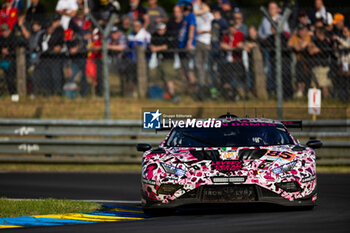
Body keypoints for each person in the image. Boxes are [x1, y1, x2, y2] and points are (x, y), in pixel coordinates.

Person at [35, 15, 65, 96]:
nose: (50, 29)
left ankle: (57, 92)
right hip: (44, 59)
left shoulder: (57, 34)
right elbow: (39, 46)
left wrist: (52, 48)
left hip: (54, 58)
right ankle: (47, 93)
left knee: (56, 76)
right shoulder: (42, 36)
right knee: (45, 76)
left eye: (51, 27)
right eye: (48, 28)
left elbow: (58, 46)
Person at [149, 22, 179, 101]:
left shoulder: (169, 35)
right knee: (162, 77)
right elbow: (152, 46)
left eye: (162, 29)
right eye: (159, 29)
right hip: (159, 59)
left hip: (168, 59)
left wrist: (157, 48)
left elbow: (166, 46)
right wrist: (158, 48)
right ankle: (166, 95)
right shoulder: (154, 35)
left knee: (168, 77)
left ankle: (172, 95)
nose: (161, 31)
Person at [220, 20, 245, 100]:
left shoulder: (240, 34)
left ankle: (239, 93)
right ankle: (229, 95)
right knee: (226, 79)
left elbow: (240, 45)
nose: (232, 29)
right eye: (230, 27)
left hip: (237, 60)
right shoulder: (226, 36)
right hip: (228, 61)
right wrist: (233, 48)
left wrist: (230, 48)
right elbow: (223, 45)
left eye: (233, 27)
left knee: (239, 78)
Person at [194, 0, 213, 99]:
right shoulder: (197, 15)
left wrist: (203, 31)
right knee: (198, 65)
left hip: (207, 42)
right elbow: (195, 9)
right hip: (198, 42)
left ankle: (210, 87)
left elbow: (212, 29)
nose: (201, 5)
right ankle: (201, 85)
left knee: (208, 65)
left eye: (203, 4)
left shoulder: (210, 15)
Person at [288, 23, 312, 98]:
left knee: (307, 76)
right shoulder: (294, 37)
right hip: (298, 60)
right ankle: (300, 91)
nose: (301, 32)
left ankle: (306, 91)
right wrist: (295, 46)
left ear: (306, 30)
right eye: (299, 30)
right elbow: (289, 45)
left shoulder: (308, 36)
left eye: (303, 30)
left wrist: (296, 46)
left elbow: (302, 46)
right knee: (299, 75)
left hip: (308, 60)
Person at [308, 27, 333, 98]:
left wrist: (316, 49)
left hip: (322, 66)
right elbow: (310, 51)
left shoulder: (326, 42)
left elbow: (315, 51)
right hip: (314, 65)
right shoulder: (316, 41)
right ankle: (316, 101)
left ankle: (326, 98)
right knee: (314, 85)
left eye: (317, 33)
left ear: (319, 33)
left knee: (323, 84)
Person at [178, 2, 196, 95]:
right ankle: (185, 89)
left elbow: (192, 28)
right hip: (182, 45)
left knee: (188, 68)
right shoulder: (184, 18)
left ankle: (192, 88)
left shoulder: (191, 16)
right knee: (183, 68)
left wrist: (189, 41)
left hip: (187, 45)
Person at [209, 6, 227, 98]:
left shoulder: (223, 22)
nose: (213, 14)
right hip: (213, 48)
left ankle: (222, 89)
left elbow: (225, 35)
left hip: (220, 50)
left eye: (215, 13)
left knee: (221, 70)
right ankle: (214, 90)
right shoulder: (212, 22)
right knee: (212, 70)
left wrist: (222, 44)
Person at [0, 23, 16, 94]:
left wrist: (7, 51)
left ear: (9, 30)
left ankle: (13, 93)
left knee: (10, 78)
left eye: (5, 31)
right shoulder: (1, 38)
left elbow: (14, 48)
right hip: (2, 61)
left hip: (11, 60)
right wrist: (2, 50)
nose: (4, 32)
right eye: (3, 31)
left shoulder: (13, 38)